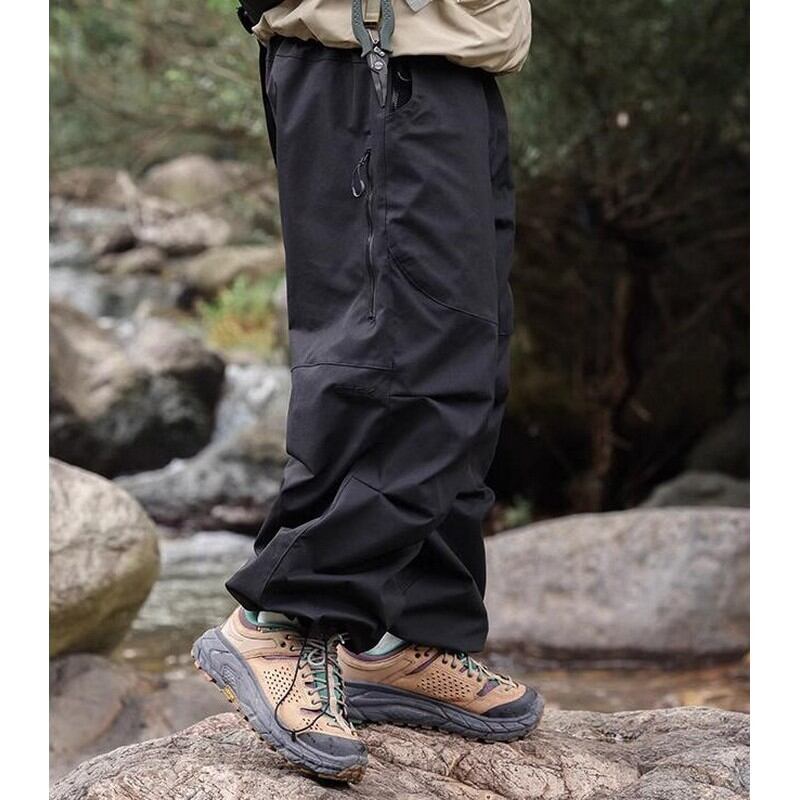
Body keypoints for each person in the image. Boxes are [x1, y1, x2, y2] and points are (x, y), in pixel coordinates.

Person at [193, 0, 542, 783]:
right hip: (372, 51)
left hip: (453, 57)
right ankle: (282, 620)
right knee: (399, 363)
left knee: (468, 362)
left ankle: (406, 634)